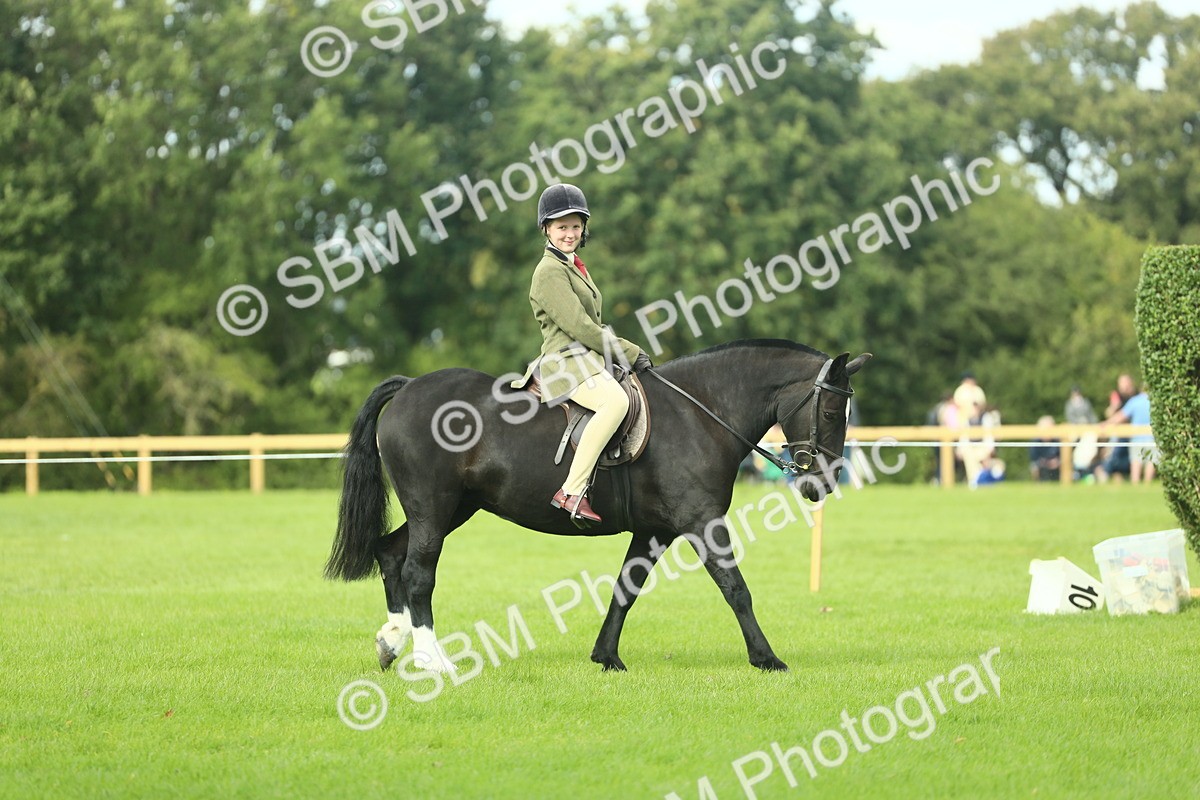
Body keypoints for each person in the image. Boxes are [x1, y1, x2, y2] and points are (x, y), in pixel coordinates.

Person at [513, 184, 651, 524]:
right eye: (562, 227)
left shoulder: (573, 265)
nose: (570, 233)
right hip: (565, 361)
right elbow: (580, 326)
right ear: (546, 229)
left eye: (575, 226)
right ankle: (572, 491)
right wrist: (630, 351)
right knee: (615, 403)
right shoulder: (548, 272)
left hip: (586, 357)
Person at [1098, 384, 1156, 483]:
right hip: (1152, 437)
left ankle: (1135, 484)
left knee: (1136, 463)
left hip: (1137, 437)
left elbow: (1121, 416)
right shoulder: (1155, 401)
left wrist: (1106, 423)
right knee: (1151, 462)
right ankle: (1147, 484)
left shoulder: (1135, 401)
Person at [1029, 415, 1061, 481]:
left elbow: (1063, 456)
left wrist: (1057, 461)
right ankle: (1038, 483)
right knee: (1034, 466)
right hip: (1042, 463)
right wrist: (1046, 462)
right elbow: (1034, 458)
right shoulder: (1035, 441)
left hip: (1057, 463)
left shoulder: (1058, 440)